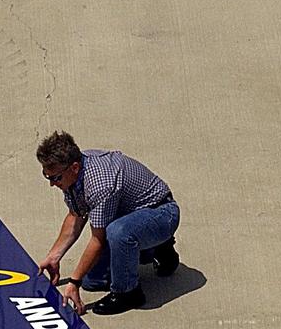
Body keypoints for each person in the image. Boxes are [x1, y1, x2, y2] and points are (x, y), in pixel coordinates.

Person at [35, 131, 180, 315]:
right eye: (47, 176)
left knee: (118, 232)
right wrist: (54, 257)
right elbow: (75, 216)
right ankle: (150, 250)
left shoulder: (100, 184)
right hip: (128, 214)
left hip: (161, 213)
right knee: (92, 282)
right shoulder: (72, 175)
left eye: (55, 178)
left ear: (74, 167)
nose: (52, 184)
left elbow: (99, 239)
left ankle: (128, 293)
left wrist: (74, 282)